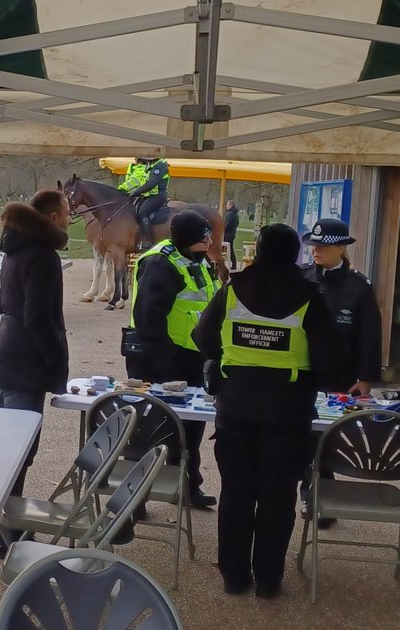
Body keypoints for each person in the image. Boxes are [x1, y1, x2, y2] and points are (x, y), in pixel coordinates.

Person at [193, 223, 342, 599]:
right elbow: (329, 363)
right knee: (278, 498)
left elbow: (202, 337)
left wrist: (229, 361)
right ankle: (269, 579)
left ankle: (234, 575)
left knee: (236, 494)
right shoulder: (311, 297)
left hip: (236, 410)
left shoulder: (232, 290)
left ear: (257, 250)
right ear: (295, 254)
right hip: (288, 415)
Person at [0, 190, 71, 558]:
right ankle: (8, 531)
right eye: (66, 213)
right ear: (52, 217)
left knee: (9, 448)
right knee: (19, 451)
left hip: (8, 350)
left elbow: (8, 303)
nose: (70, 218)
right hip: (26, 358)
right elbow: (39, 316)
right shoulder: (42, 255)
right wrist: (56, 364)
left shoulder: (16, 248)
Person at [125, 209, 221, 510]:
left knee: (191, 428)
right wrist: (166, 366)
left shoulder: (198, 259)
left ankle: (189, 485)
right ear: (190, 238)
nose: (210, 240)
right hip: (161, 359)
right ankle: (136, 497)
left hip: (190, 357)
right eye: (205, 236)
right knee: (150, 430)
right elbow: (148, 319)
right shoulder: (159, 263)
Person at [297, 218, 382, 528]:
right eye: (313, 245)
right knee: (305, 436)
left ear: (342, 248)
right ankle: (312, 491)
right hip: (303, 370)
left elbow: (369, 334)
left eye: (324, 245)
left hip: (339, 375)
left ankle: (321, 489)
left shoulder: (358, 287)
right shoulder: (301, 278)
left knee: (328, 437)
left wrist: (365, 376)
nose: (316, 250)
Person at [125, 157, 169, 247]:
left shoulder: (160, 165)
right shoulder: (150, 165)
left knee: (143, 213)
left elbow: (151, 183)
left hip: (157, 196)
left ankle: (149, 241)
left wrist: (136, 192)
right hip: (147, 196)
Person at [224, 200, 240, 270]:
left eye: (227, 205)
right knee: (230, 249)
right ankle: (234, 264)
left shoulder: (229, 214)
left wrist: (222, 228)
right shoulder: (236, 214)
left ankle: (232, 264)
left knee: (227, 249)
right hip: (232, 234)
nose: (226, 206)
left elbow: (227, 225)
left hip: (228, 234)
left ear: (231, 205)